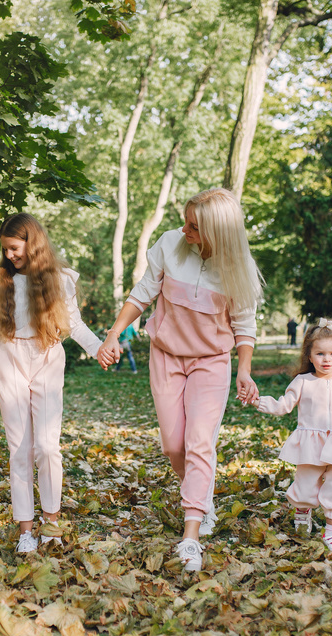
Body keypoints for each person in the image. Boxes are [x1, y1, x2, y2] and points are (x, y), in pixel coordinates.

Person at [98, 187, 263, 572]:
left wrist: (244, 369)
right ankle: (201, 494)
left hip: (211, 362)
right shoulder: (171, 243)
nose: (185, 229)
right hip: (167, 357)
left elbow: (244, 326)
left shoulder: (238, 268)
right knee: (175, 446)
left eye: (194, 226)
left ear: (217, 234)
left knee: (199, 441)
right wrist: (112, 334)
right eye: (186, 221)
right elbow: (142, 294)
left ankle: (191, 535)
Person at [0, 213, 114, 553]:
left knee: (47, 447)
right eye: (5, 250)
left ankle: (52, 523)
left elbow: (74, 324)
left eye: (15, 249)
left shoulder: (59, 280)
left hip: (47, 357)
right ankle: (25, 531)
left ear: (32, 244)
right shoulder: (3, 280)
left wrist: (98, 349)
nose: (9, 256)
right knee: (19, 450)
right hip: (9, 360)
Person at [251, 318, 332, 552]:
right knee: (306, 485)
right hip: (311, 444)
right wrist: (259, 401)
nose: (326, 359)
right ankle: (302, 512)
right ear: (309, 356)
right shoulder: (303, 382)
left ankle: (331, 530)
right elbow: (283, 405)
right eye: (319, 353)